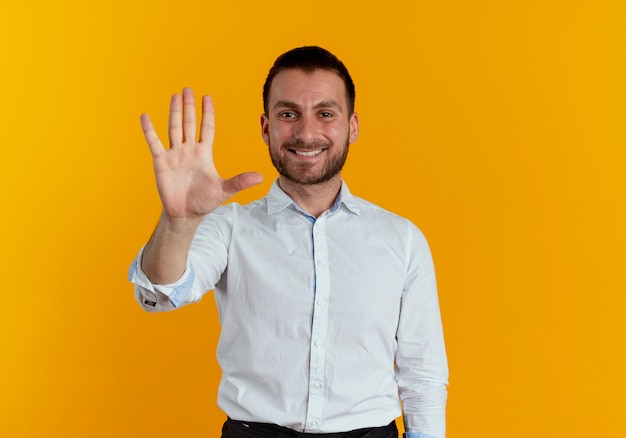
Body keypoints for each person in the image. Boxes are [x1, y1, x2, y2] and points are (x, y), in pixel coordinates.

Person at [129, 46, 448, 438]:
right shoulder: (229, 227)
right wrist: (177, 221)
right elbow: (161, 292)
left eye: (325, 114)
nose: (306, 132)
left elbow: (423, 373)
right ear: (266, 127)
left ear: (352, 126)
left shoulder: (402, 240)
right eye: (288, 114)